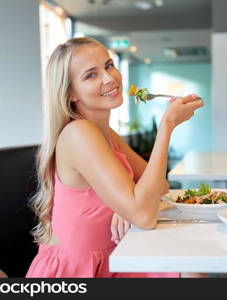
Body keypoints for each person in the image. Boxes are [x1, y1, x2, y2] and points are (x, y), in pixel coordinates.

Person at [25, 37, 204, 278]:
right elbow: (144, 215)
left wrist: (122, 205)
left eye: (109, 65)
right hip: (78, 271)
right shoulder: (79, 133)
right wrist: (167, 125)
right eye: (91, 75)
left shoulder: (107, 134)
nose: (110, 78)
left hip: (114, 258)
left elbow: (160, 187)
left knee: (192, 269)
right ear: (70, 94)